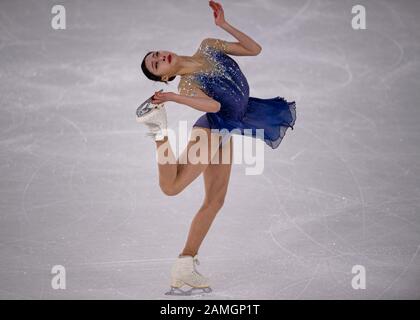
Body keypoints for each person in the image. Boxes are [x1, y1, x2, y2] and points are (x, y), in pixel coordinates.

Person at [138, 0, 296, 295]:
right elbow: (213, 105)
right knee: (172, 187)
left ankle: (185, 267)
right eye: (157, 63)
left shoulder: (209, 45)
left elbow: (254, 49)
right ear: (164, 77)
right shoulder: (185, 85)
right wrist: (173, 99)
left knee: (215, 201)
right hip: (211, 129)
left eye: (157, 54)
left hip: (229, 128)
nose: (161, 57)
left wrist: (223, 24)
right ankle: (157, 130)